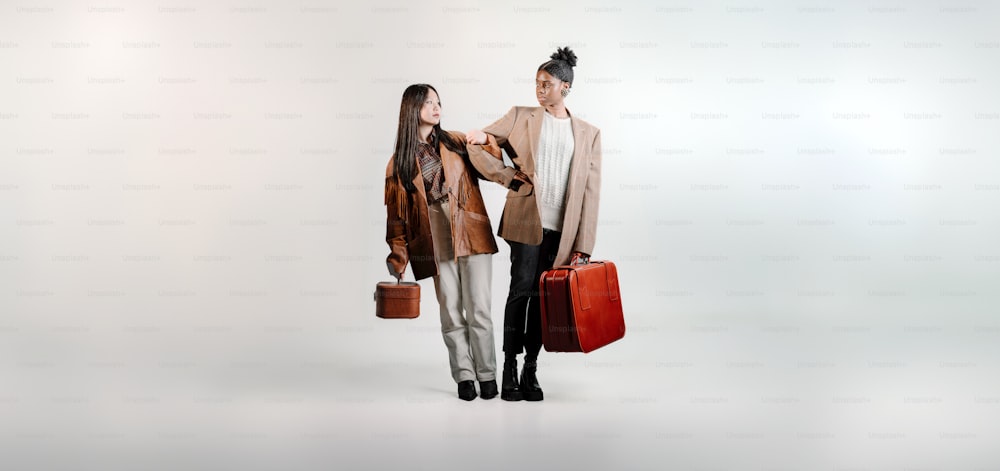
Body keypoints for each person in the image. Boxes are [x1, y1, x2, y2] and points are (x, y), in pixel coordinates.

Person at [466, 47, 602, 402]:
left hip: (564, 231)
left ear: (566, 86)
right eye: (537, 84)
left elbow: (591, 191)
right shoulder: (520, 116)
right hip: (526, 220)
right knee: (521, 290)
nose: (540, 91)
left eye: (547, 84)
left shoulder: (589, 133)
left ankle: (531, 369)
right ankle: (509, 365)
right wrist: (508, 175)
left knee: (545, 298)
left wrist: (584, 245)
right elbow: (479, 142)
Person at [384, 84, 500, 401]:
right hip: (430, 236)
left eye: (439, 102)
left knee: (479, 307)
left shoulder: (457, 140)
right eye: (429, 103)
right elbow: (397, 218)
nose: (437, 107)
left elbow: (493, 168)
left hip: (470, 228)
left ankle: (487, 374)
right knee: (450, 309)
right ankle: (464, 376)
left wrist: (487, 140)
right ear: (412, 109)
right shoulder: (398, 163)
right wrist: (398, 258)